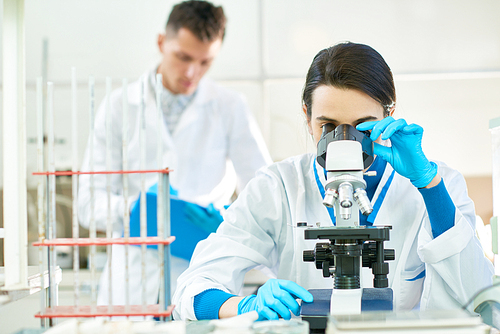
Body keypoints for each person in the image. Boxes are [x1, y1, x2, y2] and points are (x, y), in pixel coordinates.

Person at [172, 42, 494, 321]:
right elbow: (192, 290)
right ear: (306, 115)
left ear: (389, 113)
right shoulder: (279, 187)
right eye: (328, 127)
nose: (345, 141)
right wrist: (243, 305)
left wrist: (428, 183)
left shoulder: (439, 183)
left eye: (363, 127)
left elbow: (480, 297)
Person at [78, 0, 272, 307]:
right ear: (161, 43)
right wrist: (140, 211)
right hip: (131, 284)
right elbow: (88, 204)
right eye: (183, 57)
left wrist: (226, 223)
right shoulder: (118, 107)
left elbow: (265, 198)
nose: (192, 72)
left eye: (205, 62)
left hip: (205, 276)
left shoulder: (230, 107)